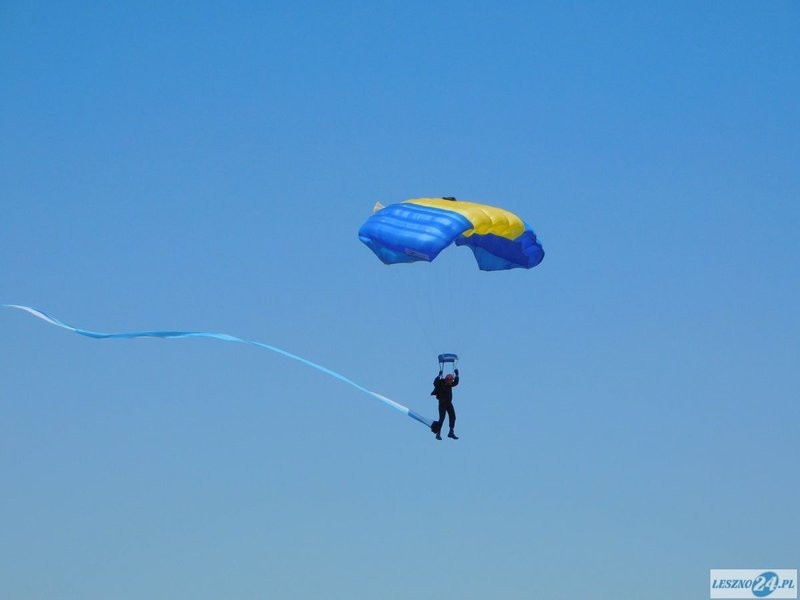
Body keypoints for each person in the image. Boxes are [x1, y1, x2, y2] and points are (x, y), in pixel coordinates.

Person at [431, 368, 459, 440]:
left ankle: (451, 432)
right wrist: (439, 375)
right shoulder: (441, 383)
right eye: (450, 381)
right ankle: (438, 433)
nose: (451, 382)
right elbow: (435, 383)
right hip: (442, 403)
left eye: (451, 381)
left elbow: (455, 382)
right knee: (442, 418)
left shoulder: (450, 384)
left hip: (448, 403)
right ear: (447, 380)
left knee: (453, 416)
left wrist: (457, 375)